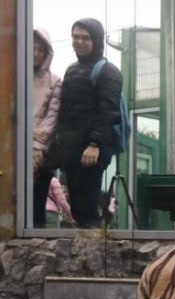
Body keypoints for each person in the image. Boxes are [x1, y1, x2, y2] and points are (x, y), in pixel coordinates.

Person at [41, 18, 122, 228]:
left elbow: (108, 110)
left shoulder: (108, 71)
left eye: (85, 37)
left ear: (96, 40)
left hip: (91, 150)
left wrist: (95, 144)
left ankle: (94, 250)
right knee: (76, 206)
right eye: (75, 37)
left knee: (87, 206)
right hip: (70, 148)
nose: (79, 41)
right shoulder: (71, 69)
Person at [32, 29, 63, 227]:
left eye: (40, 50)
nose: (35, 53)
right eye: (31, 48)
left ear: (47, 53)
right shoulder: (13, 76)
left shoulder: (55, 81)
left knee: (36, 203)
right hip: (13, 151)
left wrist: (36, 146)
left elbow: (51, 118)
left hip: (41, 153)